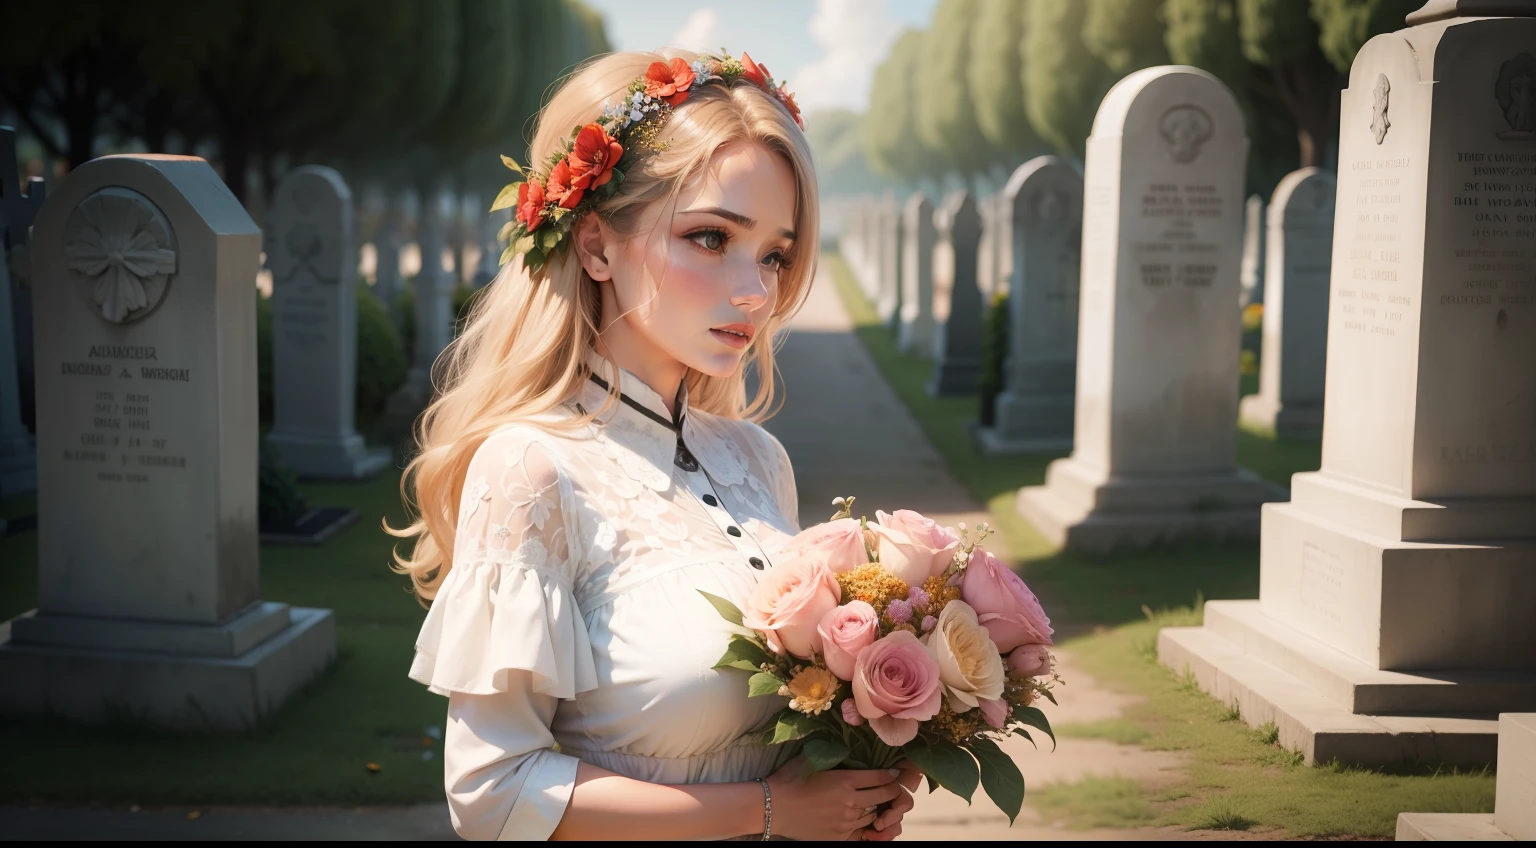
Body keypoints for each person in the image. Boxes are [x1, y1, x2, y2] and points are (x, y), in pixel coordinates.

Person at [390, 50, 919, 841]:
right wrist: (772, 810)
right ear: (596, 245)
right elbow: (492, 792)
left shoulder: (757, 461)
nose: (755, 291)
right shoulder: (533, 467)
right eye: (711, 238)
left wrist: (858, 784)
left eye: (774, 254)